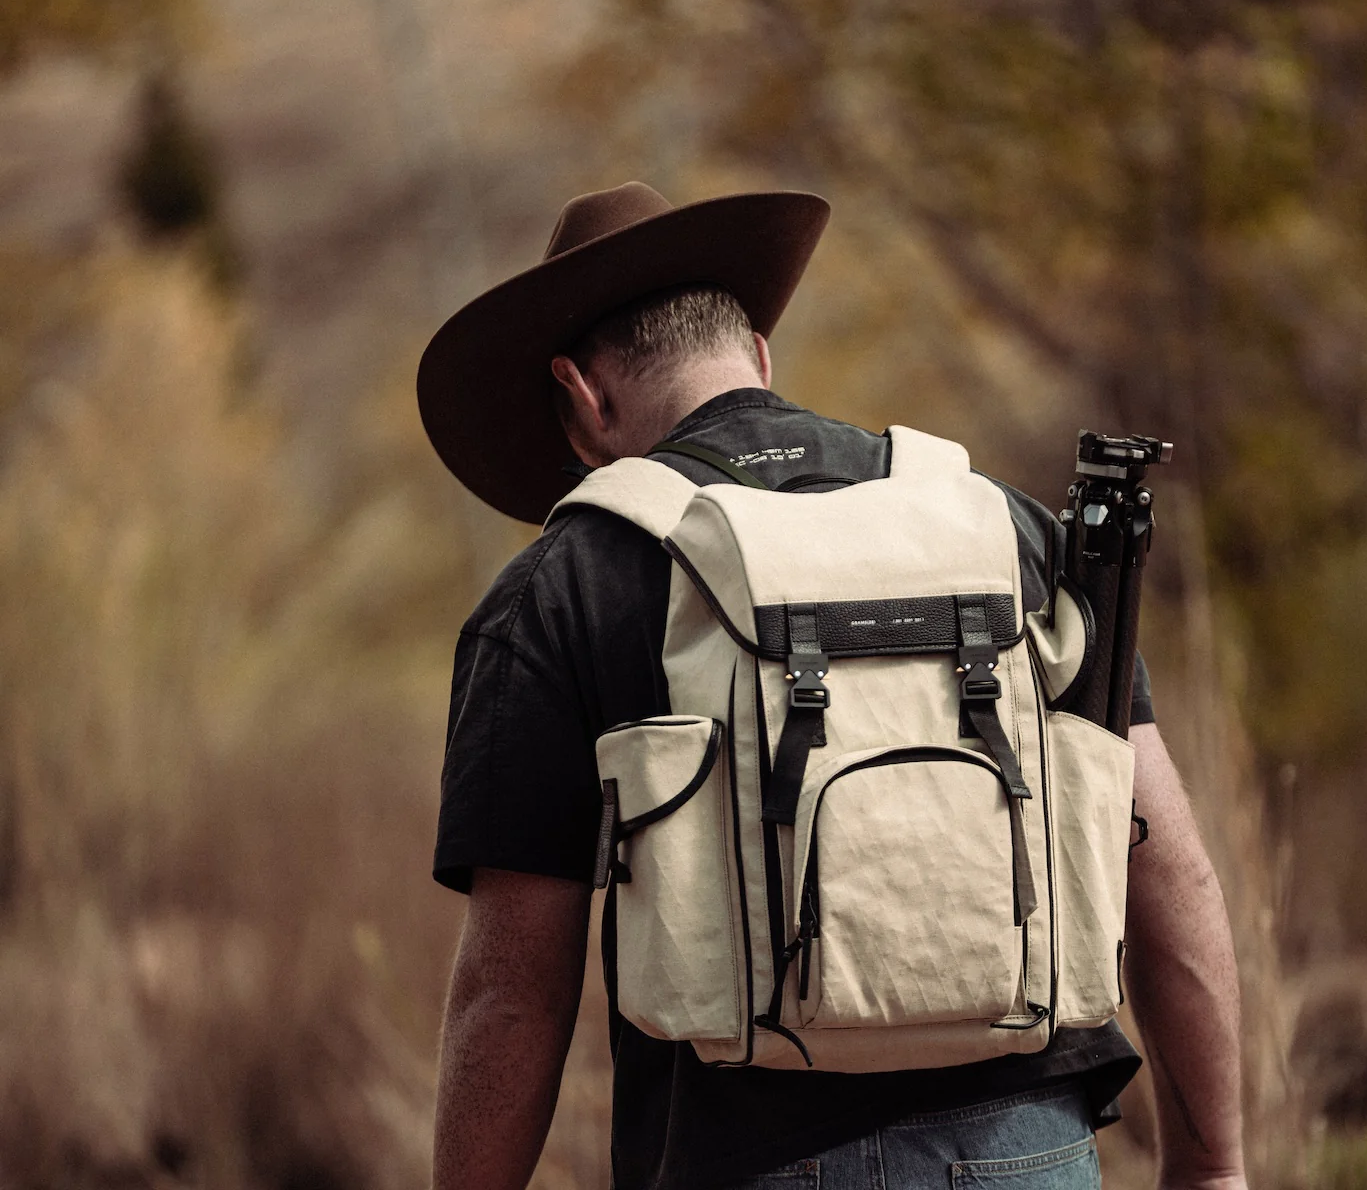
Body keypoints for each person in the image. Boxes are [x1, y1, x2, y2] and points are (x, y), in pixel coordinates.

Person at [418, 182, 1249, 1190]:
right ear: (759, 357)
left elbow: (513, 992)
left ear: (580, 397)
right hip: (1025, 1144)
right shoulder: (997, 527)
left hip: (746, 1161)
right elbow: (1166, 867)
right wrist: (1212, 1168)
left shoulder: (566, 585)